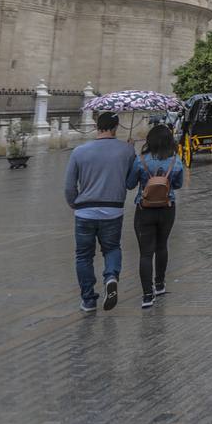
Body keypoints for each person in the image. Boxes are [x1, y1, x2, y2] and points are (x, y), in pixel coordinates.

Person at [63, 111, 135, 312]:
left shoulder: (79, 151)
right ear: (116, 127)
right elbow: (130, 183)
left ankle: (88, 300)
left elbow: (69, 186)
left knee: (83, 256)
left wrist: (74, 203)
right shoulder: (126, 150)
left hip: (84, 211)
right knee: (111, 248)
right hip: (113, 210)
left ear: (96, 127)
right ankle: (111, 276)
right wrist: (131, 152)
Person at [127, 123, 185, 309]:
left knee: (145, 253)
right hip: (167, 207)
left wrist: (131, 157)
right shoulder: (175, 160)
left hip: (144, 209)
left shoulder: (140, 160)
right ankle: (160, 284)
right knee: (162, 246)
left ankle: (147, 296)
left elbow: (129, 184)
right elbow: (178, 185)